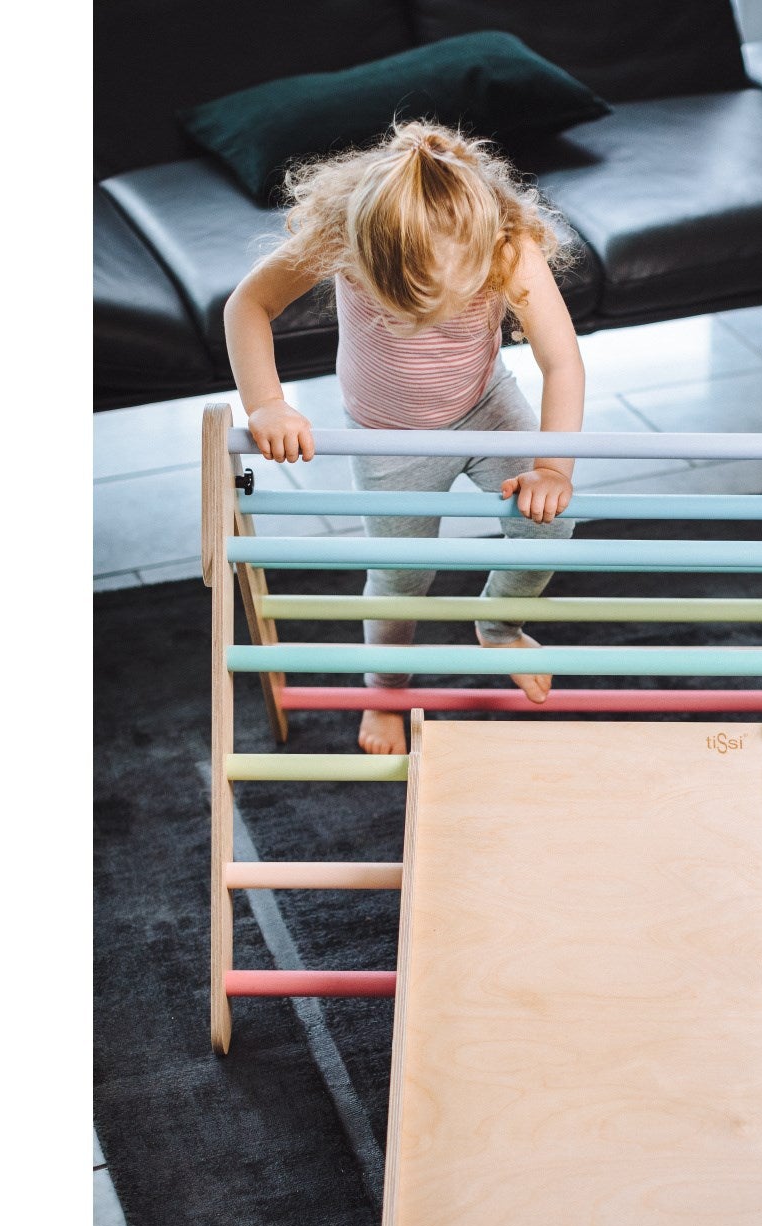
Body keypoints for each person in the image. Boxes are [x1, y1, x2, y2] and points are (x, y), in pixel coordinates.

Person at [224, 120, 586, 755]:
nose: (430, 320)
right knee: (401, 578)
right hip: (387, 435)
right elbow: (248, 305)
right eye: (411, 306)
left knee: (550, 523)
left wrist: (552, 468)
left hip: (484, 406)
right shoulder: (342, 233)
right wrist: (268, 404)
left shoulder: (506, 246)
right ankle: (385, 690)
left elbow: (562, 363)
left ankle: (499, 625)